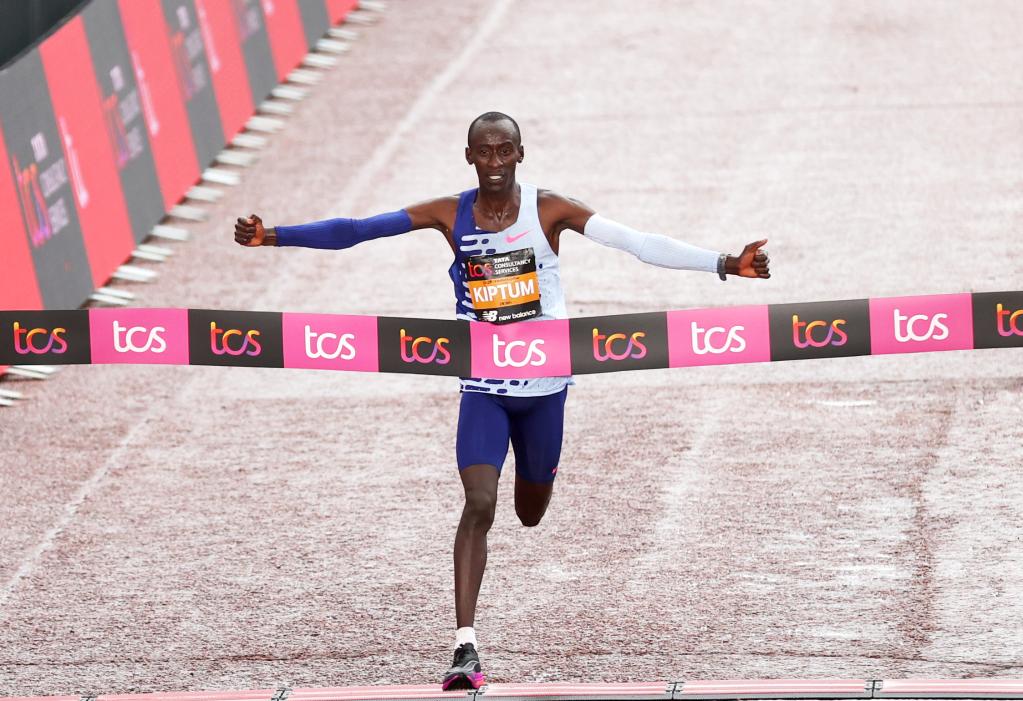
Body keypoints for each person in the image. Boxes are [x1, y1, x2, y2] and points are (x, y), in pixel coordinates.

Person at [234, 111, 770, 689]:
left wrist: (724, 264)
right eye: (483, 152)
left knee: (529, 512)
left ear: (520, 153)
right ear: (469, 156)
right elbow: (359, 229)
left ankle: (533, 484)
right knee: (479, 504)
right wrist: (273, 236)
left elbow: (637, 243)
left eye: (504, 151)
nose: (494, 162)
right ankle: (464, 647)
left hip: (545, 391)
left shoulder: (550, 210)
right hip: (484, 388)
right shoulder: (449, 214)